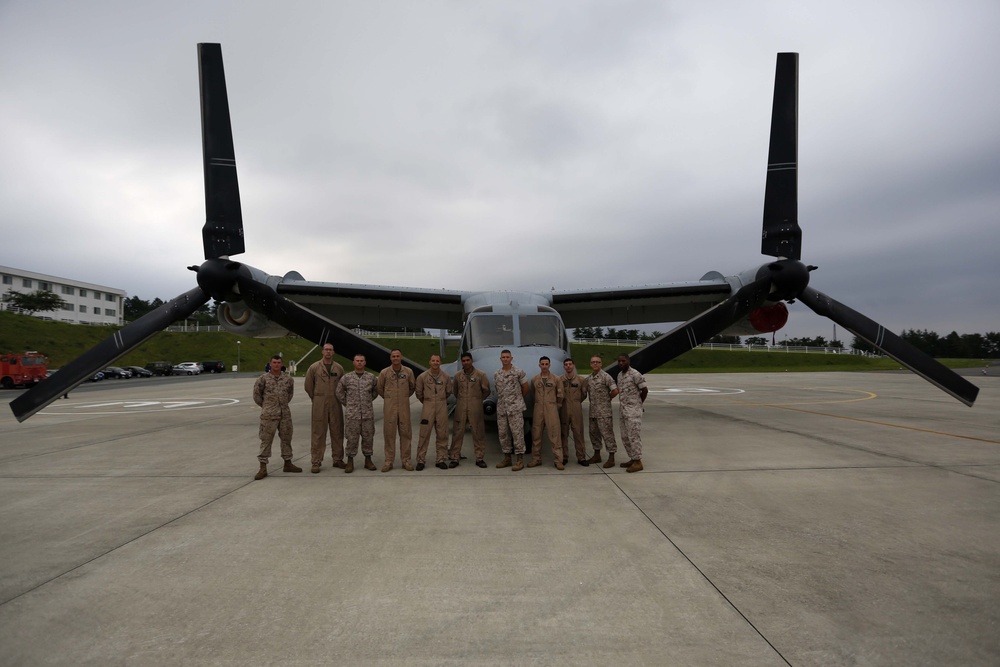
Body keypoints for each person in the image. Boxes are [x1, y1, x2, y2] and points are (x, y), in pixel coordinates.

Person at [252, 354, 301, 480]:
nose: (276, 365)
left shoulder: (288, 379)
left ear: (282, 364)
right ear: (270, 364)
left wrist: (282, 405)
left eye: (279, 362)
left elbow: (290, 394)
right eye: (274, 362)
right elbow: (257, 396)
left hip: (285, 414)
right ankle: (263, 467)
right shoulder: (263, 379)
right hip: (269, 415)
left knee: (286, 439)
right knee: (266, 440)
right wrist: (267, 406)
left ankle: (288, 463)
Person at [304, 343, 345, 473]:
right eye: (326, 350)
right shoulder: (314, 367)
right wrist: (316, 398)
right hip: (319, 403)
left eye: (330, 350)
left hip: (335, 403)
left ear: (333, 352)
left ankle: (338, 459)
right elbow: (308, 386)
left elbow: (343, 386)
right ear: (322, 351)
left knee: (337, 431)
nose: (328, 352)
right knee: (318, 433)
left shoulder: (338, 368)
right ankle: (316, 461)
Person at [335, 354, 379, 473]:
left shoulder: (371, 378)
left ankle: (368, 460)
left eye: (361, 361)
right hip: (352, 415)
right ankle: (350, 461)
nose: (359, 363)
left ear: (365, 363)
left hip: (367, 414)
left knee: (368, 437)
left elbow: (376, 391)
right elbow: (339, 392)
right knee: (351, 438)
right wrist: (349, 404)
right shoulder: (347, 378)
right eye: (357, 361)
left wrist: (368, 401)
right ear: (353, 363)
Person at [376, 349, 416, 472]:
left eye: (398, 356)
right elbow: (380, 388)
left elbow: (411, 388)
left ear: (401, 357)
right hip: (390, 408)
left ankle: (406, 460)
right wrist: (390, 398)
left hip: (404, 407)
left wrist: (402, 397)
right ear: (390, 358)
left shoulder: (408, 372)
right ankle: (389, 461)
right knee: (389, 434)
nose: (396, 358)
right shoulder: (384, 372)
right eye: (393, 356)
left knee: (406, 434)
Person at [449, 352, 491, 468]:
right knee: (458, 432)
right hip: (461, 405)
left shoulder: (480, 375)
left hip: (475, 406)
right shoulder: (458, 376)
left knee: (478, 432)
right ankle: (455, 457)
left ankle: (479, 457)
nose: (466, 362)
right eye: (464, 361)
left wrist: (477, 399)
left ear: (471, 361)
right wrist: (463, 399)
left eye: (468, 360)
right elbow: (455, 391)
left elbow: (486, 391)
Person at [415, 354, 453, 470]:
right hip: (428, 405)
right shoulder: (423, 377)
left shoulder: (446, 377)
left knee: (442, 434)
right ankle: (421, 460)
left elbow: (448, 392)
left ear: (440, 362)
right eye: (433, 360)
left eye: (437, 361)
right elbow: (419, 393)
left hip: (441, 405)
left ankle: (441, 459)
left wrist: (439, 401)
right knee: (424, 434)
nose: (435, 362)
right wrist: (428, 402)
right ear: (429, 362)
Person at [493, 349, 528, 471]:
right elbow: (498, 390)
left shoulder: (518, 372)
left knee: (517, 433)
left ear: (511, 358)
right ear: (500, 359)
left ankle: (519, 460)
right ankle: (507, 458)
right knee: (503, 434)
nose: (505, 359)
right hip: (502, 408)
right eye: (503, 357)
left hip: (515, 408)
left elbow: (525, 388)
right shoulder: (497, 374)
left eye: (507, 357)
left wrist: (516, 401)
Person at [530, 356, 565, 469]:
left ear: (549, 365)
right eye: (542, 364)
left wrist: (556, 407)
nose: (544, 366)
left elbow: (560, 395)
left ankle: (558, 460)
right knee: (536, 434)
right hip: (538, 408)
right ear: (539, 365)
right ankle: (536, 459)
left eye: (546, 364)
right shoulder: (535, 379)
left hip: (551, 408)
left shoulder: (556, 379)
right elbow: (532, 393)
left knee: (555, 434)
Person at [586, 355, 620, 468]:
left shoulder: (606, 377)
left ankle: (611, 458)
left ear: (601, 364)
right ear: (590, 364)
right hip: (593, 412)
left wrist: (608, 398)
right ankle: (597, 455)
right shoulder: (589, 378)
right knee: (594, 434)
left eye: (597, 362)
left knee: (607, 434)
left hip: (604, 412)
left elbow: (615, 390)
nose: (595, 364)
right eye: (593, 362)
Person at [616, 354, 648, 473]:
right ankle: (632, 458)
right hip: (623, 410)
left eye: (623, 361)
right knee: (625, 437)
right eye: (619, 361)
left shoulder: (635, 374)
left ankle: (638, 461)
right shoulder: (619, 375)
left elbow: (644, 390)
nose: (620, 363)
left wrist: (639, 404)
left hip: (633, 411)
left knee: (634, 437)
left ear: (628, 361)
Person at [559, 358, 589, 466]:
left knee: (578, 433)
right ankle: (564, 457)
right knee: (564, 433)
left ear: (573, 366)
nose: (568, 366)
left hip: (576, 406)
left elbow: (584, 394)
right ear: (564, 367)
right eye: (566, 364)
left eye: (570, 364)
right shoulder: (560, 380)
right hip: (564, 407)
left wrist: (576, 402)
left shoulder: (581, 380)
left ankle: (581, 457)